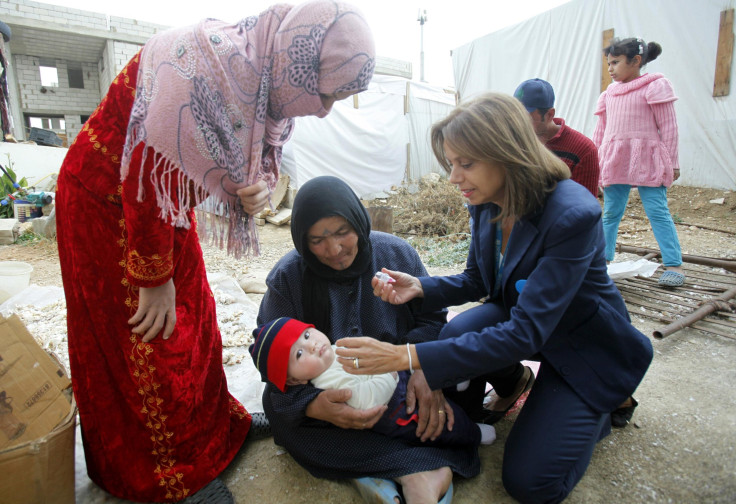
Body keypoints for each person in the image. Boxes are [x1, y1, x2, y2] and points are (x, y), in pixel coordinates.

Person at [54, 2, 375, 502]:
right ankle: (176, 477)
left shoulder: (257, 77)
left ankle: (217, 433)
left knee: (196, 318)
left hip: (165, 208)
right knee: (150, 341)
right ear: (300, 62)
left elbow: (219, 157)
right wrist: (153, 277)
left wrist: (242, 188)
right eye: (327, 94)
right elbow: (147, 166)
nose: (323, 108)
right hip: (110, 203)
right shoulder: (204, 68)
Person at [334, 92, 654, 504]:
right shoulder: (487, 201)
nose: (454, 177)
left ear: (507, 154)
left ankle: (604, 400)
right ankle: (521, 384)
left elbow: (524, 332)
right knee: (458, 332)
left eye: (466, 163)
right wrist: (421, 286)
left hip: (580, 342)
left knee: (530, 483)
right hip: (528, 321)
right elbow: (478, 279)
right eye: (452, 163)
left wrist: (405, 357)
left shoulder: (572, 214)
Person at [257, 175, 479, 504]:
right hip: (337, 394)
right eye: (317, 240)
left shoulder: (397, 255)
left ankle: (375, 468)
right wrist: (316, 406)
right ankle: (418, 470)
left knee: (449, 401)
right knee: (279, 410)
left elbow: (434, 320)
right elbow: (269, 351)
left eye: (342, 232)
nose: (333, 249)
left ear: (359, 223)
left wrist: (423, 370)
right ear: (302, 240)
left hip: (403, 382)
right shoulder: (288, 277)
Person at [250, 317, 495, 447]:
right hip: (396, 408)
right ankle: (474, 433)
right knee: (439, 425)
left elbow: (379, 355)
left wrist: (387, 359)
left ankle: (455, 378)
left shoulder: (335, 348)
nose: (311, 344)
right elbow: (369, 400)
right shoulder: (327, 385)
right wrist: (386, 372)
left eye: (306, 335)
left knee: (422, 364)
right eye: (299, 354)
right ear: (294, 380)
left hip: (394, 375)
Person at [593, 37, 685, 288]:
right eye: (608, 63)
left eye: (615, 62)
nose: (610, 68)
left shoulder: (655, 86)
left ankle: (674, 264)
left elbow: (669, 127)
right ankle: (602, 261)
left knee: (657, 211)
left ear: (635, 61)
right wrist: (596, 162)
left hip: (648, 159)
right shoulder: (608, 94)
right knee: (611, 212)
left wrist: (672, 162)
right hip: (615, 160)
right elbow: (600, 132)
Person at [514, 78, 600, 197]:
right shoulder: (513, 141)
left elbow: (585, 206)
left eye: (526, 117)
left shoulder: (582, 149)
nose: (520, 123)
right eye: (516, 116)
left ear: (549, 115)